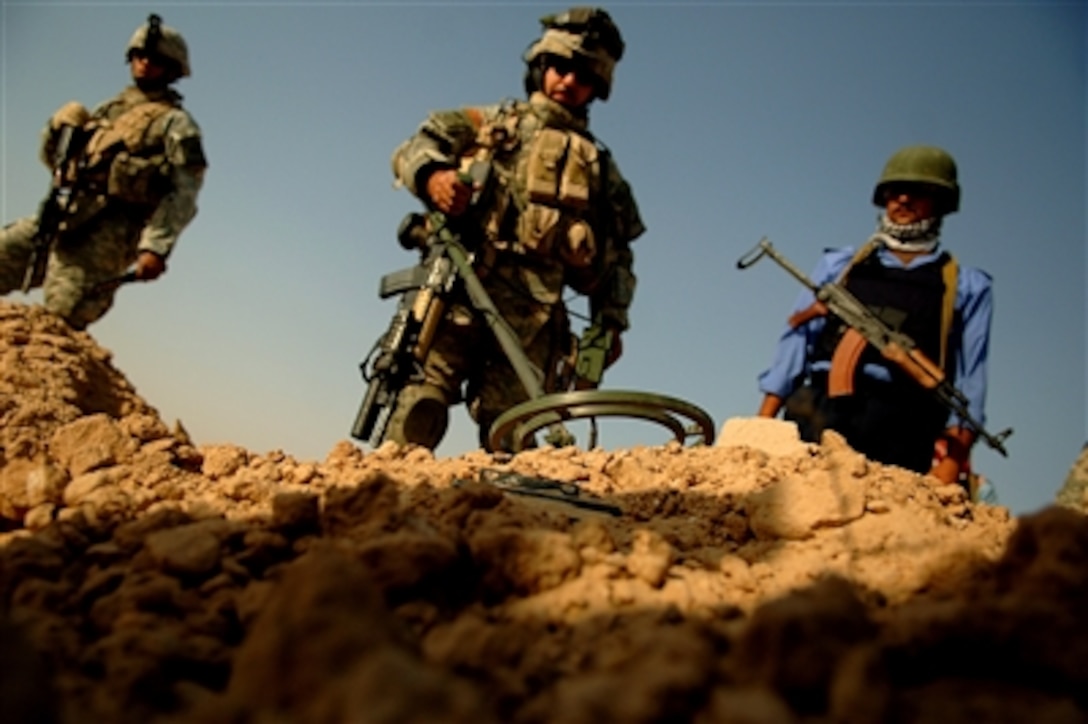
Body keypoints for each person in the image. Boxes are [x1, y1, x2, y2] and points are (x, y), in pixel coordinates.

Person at [384, 6, 645, 451]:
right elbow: (418, 144)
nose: (568, 81)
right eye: (560, 67)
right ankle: (384, 508)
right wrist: (434, 177)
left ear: (597, 87)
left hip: (534, 325)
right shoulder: (493, 124)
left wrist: (610, 324)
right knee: (418, 412)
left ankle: (500, 520)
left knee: (511, 435)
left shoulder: (601, 171)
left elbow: (617, 254)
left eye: (583, 75)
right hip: (458, 297)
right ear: (541, 66)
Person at [756, 145, 993, 487]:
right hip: (822, 412)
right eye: (894, 191)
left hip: (903, 426)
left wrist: (953, 462)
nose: (902, 200)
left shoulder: (965, 286)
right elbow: (794, 346)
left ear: (941, 202)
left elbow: (972, 380)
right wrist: (763, 422)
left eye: (918, 192)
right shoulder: (841, 266)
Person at [0, 14, 207, 330]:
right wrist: (55, 130)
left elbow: (184, 191)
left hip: (108, 232)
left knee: (62, 316)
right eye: (139, 56)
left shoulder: (176, 125)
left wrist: (156, 247)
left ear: (172, 69)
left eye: (155, 59)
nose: (145, 63)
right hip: (64, 213)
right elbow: (56, 164)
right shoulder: (106, 111)